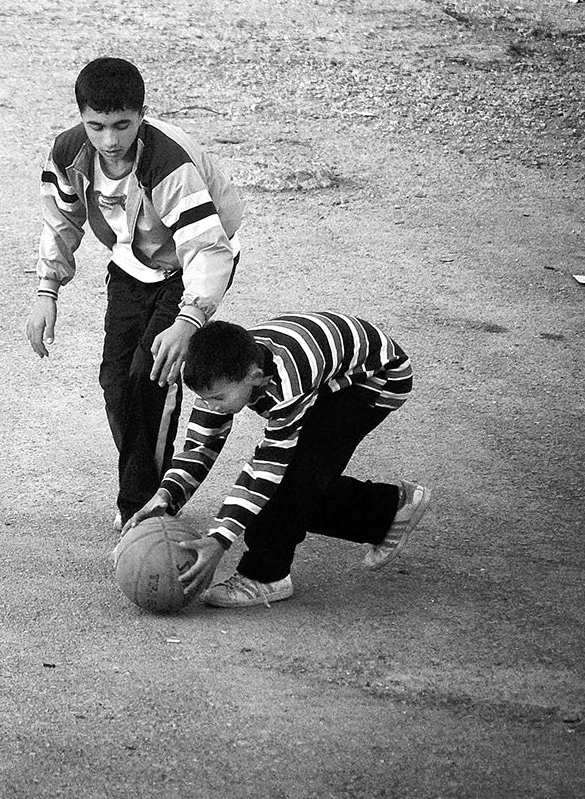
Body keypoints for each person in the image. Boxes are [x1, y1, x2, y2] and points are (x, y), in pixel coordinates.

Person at [25, 57, 243, 529]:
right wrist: (47, 290)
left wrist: (190, 320)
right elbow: (60, 221)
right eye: (97, 126)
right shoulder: (67, 152)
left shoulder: (167, 164)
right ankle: (153, 485)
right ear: (81, 118)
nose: (110, 140)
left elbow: (207, 247)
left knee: (151, 377)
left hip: (193, 262)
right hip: (132, 261)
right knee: (115, 383)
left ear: (143, 113)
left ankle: (141, 507)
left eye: (122, 125)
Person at [124, 313, 431, 609]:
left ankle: (265, 576)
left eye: (217, 398)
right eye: (204, 398)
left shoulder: (287, 385)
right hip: (331, 375)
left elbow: (267, 468)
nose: (210, 406)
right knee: (299, 484)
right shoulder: (225, 369)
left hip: (376, 381)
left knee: (288, 480)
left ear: (255, 378)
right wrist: (167, 494)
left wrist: (219, 540)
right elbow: (201, 444)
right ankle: (391, 509)